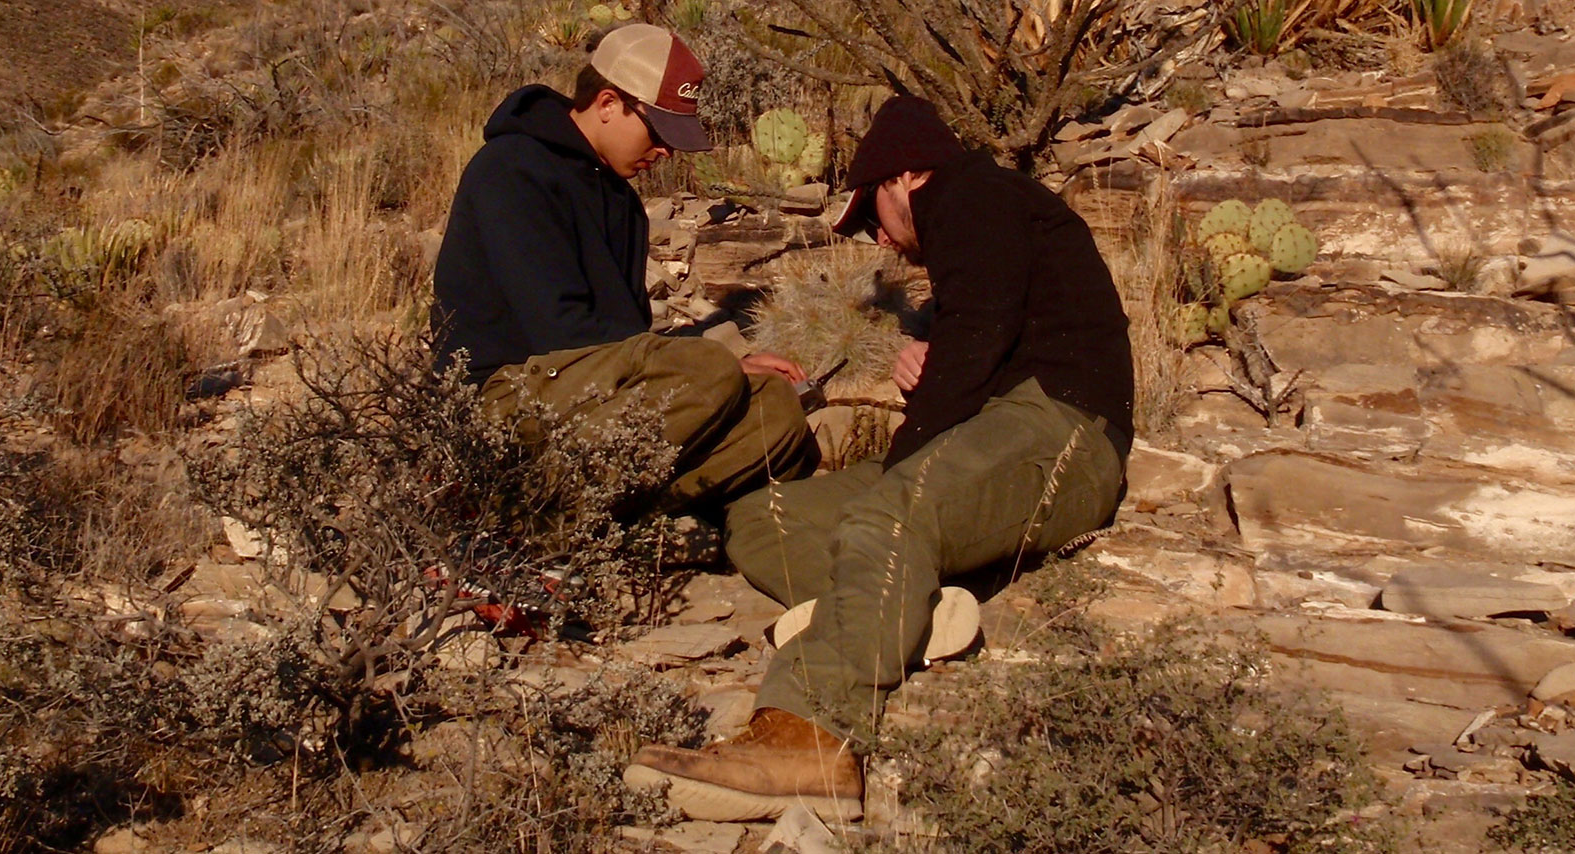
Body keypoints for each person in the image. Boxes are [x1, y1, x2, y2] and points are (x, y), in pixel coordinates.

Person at [624, 96, 1134, 821]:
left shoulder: (969, 189)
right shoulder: (986, 214)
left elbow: (978, 332)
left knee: (890, 513)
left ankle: (810, 736)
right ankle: (906, 609)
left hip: (1063, 431)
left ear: (902, 179)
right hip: (999, 429)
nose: (883, 242)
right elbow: (980, 339)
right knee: (765, 516)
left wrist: (907, 468)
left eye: (871, 215)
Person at [431, 23, 817, 518]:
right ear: (608, 104)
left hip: (585, 394)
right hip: (504, 397)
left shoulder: (622, 203)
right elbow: (561, 331)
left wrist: (730, 376)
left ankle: (627, 517)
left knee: (775, 407)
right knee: (713, 368)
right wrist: (713, 366)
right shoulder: (510, 170)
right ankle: (540, 516)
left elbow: (626, 341)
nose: (666, 152)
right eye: (658, 132)